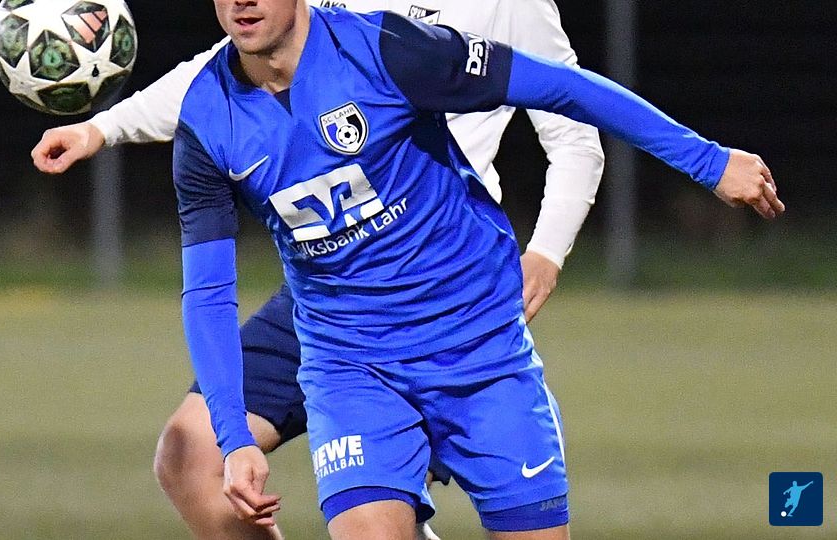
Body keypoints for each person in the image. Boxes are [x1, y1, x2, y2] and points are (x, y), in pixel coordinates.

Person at [167, 0, 783, 538]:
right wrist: (235, 439)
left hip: (478, 349)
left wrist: (707, 161)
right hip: (352, 366)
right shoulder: (207, 119)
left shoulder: (390, 50)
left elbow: (562, 87)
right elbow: (209, 293)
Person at [31, 1, 606, 538]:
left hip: (437, 281)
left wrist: (546, 252)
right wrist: (101, 129)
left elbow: (574, 133)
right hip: (327, 291)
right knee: (190, 455)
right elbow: (224, 68)